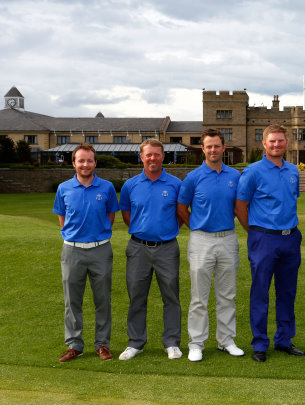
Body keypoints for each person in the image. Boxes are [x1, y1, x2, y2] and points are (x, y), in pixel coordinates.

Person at [234, 124, 303, 362]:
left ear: (287, 143)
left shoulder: (293, 170)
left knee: (287, 292)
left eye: (281, 141)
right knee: (260, 292)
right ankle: (260, 343)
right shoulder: (252, 172)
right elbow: (240, 206)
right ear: (264, 144)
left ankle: (284, 340)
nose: (276, 145)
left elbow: (291, 201)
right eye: (272, 141)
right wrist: (254, 231)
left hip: (290, 238)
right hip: (263, 239)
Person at [177, 129, 244, 362]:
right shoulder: (193, 177)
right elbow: (182, 208)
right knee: (199, 297)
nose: (213, 150)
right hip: (201, 240)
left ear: (223, 148)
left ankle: (226, 340)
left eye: (217, 146)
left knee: (227, 295)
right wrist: (196, 226)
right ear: (203, 149)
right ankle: (196, 343)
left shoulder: (235, 176)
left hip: (227, 239)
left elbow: (239, 206)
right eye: (209, 146)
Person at [53, 143, 119, 362]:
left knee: (102, 299)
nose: (85, 164)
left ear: (95, 163)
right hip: (72, 251)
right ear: (74, 163)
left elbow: (111, 216)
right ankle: (75, 345)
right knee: (72, 301)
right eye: (81, 160)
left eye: (89, 160)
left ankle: (103, 344)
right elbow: (62, 219)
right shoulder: (64, 188)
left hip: (101, 249)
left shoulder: (107, 187)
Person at [118, 139, 183, 361]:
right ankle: (136, 343)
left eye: (156, 154)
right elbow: (127, 216)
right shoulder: (130, 185)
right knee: (137, 296)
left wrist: (164, 231)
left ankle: (172, 342)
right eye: (148, 155)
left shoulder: (175, 184)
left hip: (167, 248)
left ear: (163, 156)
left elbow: (180, 215)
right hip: (138, 248)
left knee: (171, 296)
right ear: (141, 157)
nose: (152, 158)